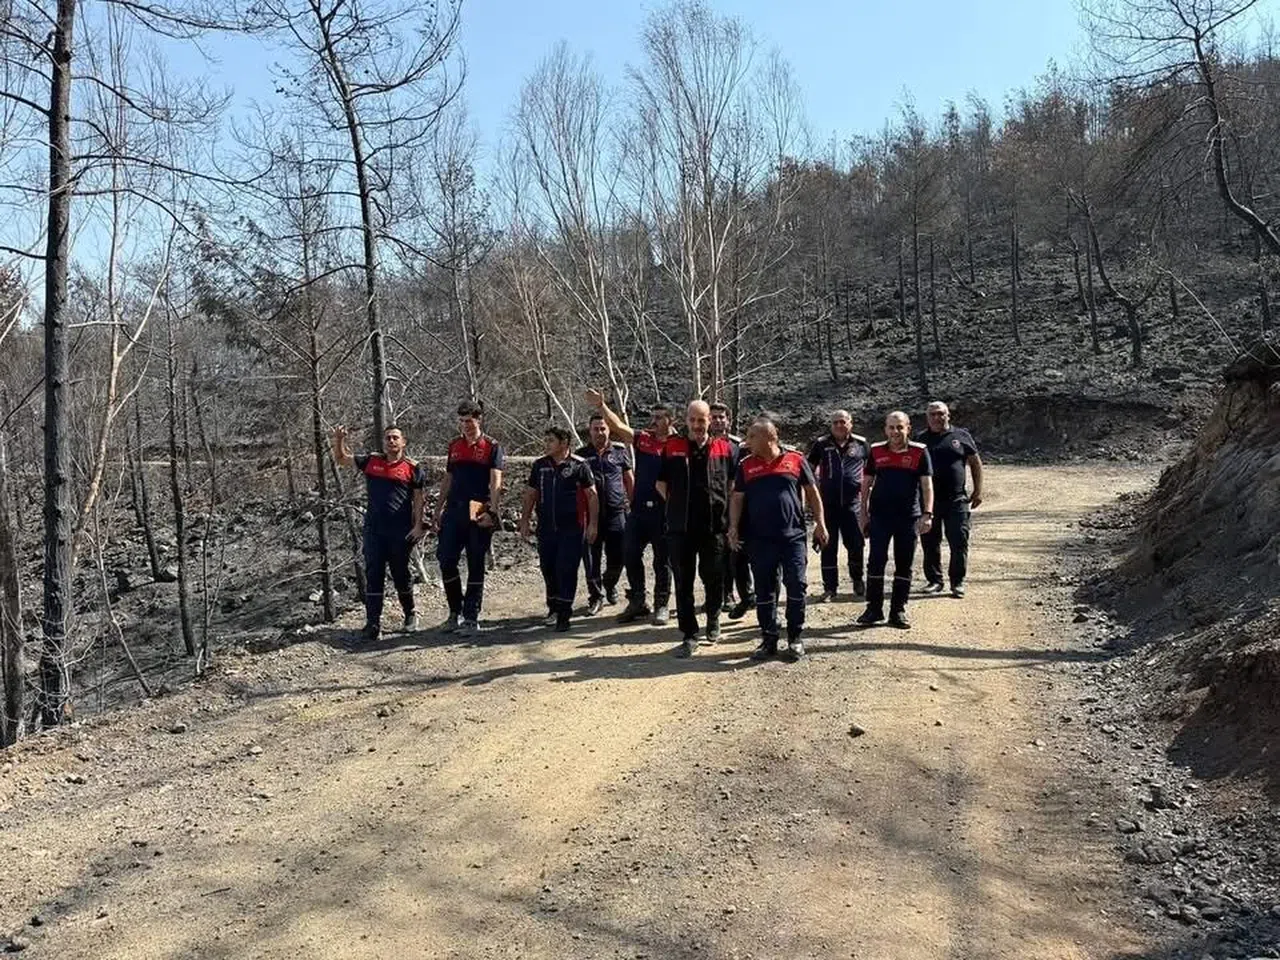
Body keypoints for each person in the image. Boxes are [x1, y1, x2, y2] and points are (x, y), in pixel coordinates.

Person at [729, 418, 828, 662]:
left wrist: (820, 524)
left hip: (793, 537)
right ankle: (769, 638)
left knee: (796, 585)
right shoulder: (745, 465)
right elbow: (737, 498)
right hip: (760, 540)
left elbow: (812, 492)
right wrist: (733, 527)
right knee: (764, 590)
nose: (747, 441)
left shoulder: (795, 459)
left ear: (769, 437)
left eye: (752, 437)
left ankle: (795, 637)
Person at [585, 389, 674, 626]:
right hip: (639, 512)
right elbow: (618, 426)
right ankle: (638, 601)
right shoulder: (643, 438)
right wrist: (602, 406)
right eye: (653, 416)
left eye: (659, 417)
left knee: (662, 560)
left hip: (664, 512)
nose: (653, 421)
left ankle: (661, 604)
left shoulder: (679, 444)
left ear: (671, 420)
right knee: (630, 553)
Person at [332, 423, 428, 641]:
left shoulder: (413, 468)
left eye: (395, 437)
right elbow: (341, 459)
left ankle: (410, 614)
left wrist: (418, 525)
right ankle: (373, 624)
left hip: (400, 531)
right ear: (383, 442)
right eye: (388, 438)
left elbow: (418, 499)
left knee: (401, 574)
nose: (391, 441)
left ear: (403, 442)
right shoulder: (371, 461)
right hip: (374, 531)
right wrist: (339, 439)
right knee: (374, 575)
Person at [657, 400, 736, 657]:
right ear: (686, 421)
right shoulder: (672, 447)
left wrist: (729, 519)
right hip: (681, 529)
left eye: (701, 420)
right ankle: (689, 634)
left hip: (714, 527)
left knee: (714, 577)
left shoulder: (726, 448)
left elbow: (733, 485)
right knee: (683, 582)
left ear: (710, 421)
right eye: (692, 420)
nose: (697, 425)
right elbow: (660, 483)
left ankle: (713, 618)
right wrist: (676, 505)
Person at [857, 411, 934, 630]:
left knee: (904, 563)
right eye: (891, 427)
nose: (895, 432)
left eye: (900, 427)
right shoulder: (875, 450)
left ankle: (898, 610)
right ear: (885, 429)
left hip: (908, 517)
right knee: (876, 561)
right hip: (880, 516)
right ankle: (873, 609)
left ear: (908, 428)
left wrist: (927, 514)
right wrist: (863, 513)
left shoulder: (920, 451)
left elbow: (927, 485)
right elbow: (866, 483)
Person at [434, 401, 504, 635]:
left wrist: (492, 511)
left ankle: (472, 617)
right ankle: (455, 611)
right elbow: (448, 478)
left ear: (479, 419)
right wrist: (438, 509)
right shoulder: (454, 445)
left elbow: (496, 480)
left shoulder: (492, 446)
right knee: (446, 559)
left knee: (475, 562)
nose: (466, 425)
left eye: (469, 421)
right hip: (454, 509)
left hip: (478, 508)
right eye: (462, 421)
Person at [519, 427, 599, 632]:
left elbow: (592, 496)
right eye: (546, 440)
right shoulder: (540, 466)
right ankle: (553, 608)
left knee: (567, 569)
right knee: (548, 568)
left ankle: (564, 613)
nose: (546, 444)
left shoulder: (579, 465)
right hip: (546, 528)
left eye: (551, 440)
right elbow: (530, 494)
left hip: (572, 528)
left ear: (564, 443)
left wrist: (593, 524)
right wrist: (524, 520)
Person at [916, 401, 984, 599]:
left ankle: (957, 582)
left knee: (959, 541)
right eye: (932, 414)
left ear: (948, 415)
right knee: (930, 542)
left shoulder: (961, 436)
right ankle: (934, 581)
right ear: (927, 417)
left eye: (940, 414)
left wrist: (978, 491)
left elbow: (975, 463)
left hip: (957, 500)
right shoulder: (920, 439)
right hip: (928, 502)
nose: (936, 418)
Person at [807, 410, 870, 601]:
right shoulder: (821, 444)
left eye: (842, 422)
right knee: (828, 545)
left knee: (856, 544)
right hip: (828, 505)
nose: (839, 426)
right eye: (835, 422)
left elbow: (871, 471)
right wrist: (814, 494)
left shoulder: (861, 444)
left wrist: (868, 497)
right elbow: (808, 470)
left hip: (853, 505)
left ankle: (857, 580)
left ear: (850, 423)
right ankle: (830, 588)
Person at [577, 414, 633, 615]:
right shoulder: (580, 456)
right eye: (596, 429)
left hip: (616, 512)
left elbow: (629, 479)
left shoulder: (619, 452)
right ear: (590, 431)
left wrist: (633, 505)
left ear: (609, 430)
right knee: (591, 558)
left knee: (619, 556)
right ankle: (596, 597)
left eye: (603, 428)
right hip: (591, 515)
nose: (599, 432)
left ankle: (610, 583)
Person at [710, 401, 755, 619]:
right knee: (716, 555)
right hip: (711, 508)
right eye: (714, 417)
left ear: (728, 420)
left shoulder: (739, 447)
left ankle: (742, 594)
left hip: (735, 508)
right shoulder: (700, 445)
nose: (718, 421)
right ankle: (721, 594)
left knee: (735, 553)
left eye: (722, 417)